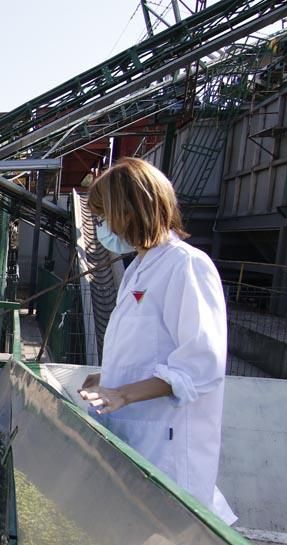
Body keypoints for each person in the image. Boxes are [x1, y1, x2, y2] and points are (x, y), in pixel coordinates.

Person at [78, 157, 236, 524]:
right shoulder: (140, 267)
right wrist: (109, 378)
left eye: (104, 217)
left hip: (166, 443)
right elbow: (149, 350)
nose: (101, 226)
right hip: (136, 434)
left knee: (165, 538)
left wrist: (124, 393)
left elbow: (201, 363)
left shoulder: (187, 266)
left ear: (130, 212)